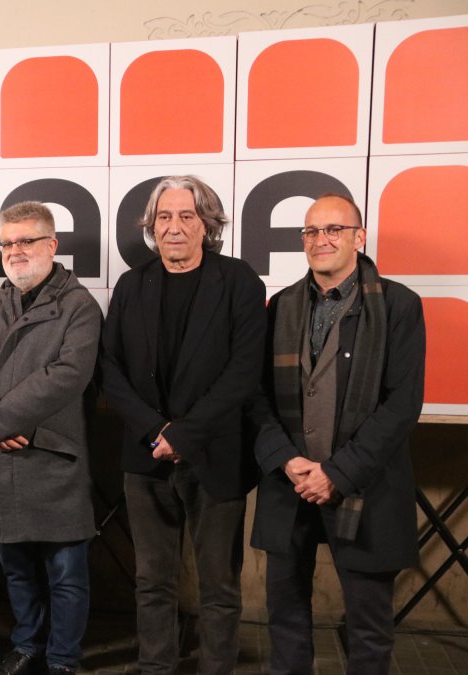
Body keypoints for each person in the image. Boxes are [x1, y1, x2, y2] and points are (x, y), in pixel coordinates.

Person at [250, 194, 425, 675]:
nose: (320, 240)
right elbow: (256, 397)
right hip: (290, 484)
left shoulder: (398, 305)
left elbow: (402, 403)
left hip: (362, 487)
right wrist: (287, 460)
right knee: (284, 614)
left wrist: (337, 473)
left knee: (369, 626)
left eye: (333, 230)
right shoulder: (280, 306)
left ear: (359, 237)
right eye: (310, 232)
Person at [99, 175, 265, 674]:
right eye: (164, 217)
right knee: (152, 581)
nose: (174, 227)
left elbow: (243, 372)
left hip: (215, 456)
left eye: (186, 216)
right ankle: (157, 667)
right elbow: (111, 368)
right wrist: (155, 431)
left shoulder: (239, 281)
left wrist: (183, 434)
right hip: (145, 457)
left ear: (207, 224)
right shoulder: (133, 284)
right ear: (152, 226)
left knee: (218, 585)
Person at [0, 201, 102, 675]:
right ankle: (26, 644)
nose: (15, 251)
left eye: (26, 241)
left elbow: (67, 375)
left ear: (51, 246)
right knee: (15, 568)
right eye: (7, 243)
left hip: (52, 457)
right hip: (0, 458)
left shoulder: (79, 306)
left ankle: (62, 659)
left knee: (66, 574)